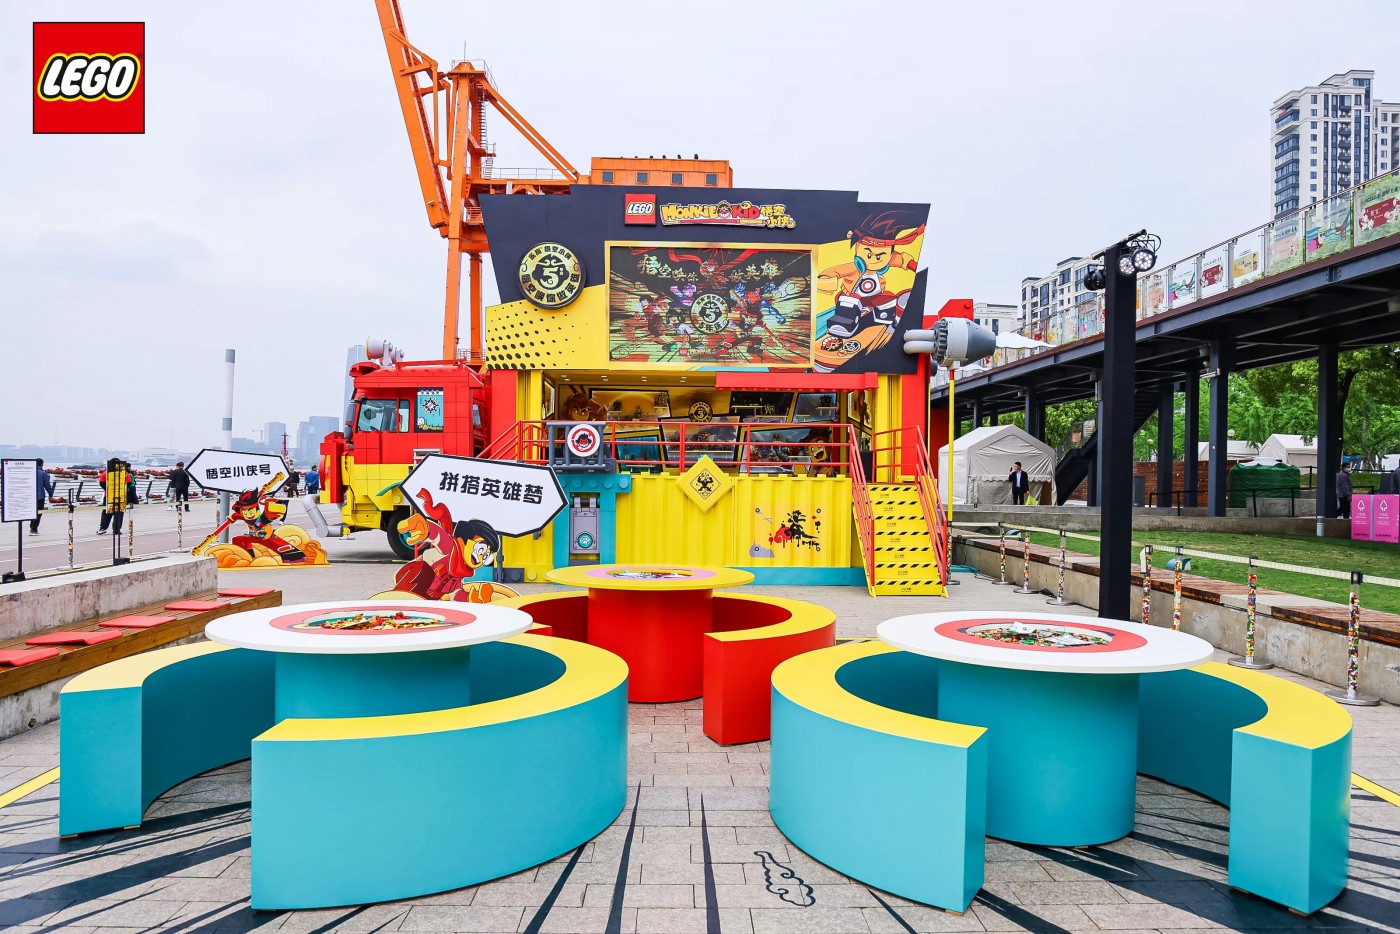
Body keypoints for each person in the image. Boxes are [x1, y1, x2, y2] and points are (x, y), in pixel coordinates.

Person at [29, 459, 54, 535]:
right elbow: (47, 485)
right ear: (42, 464)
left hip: (30, 496)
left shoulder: (30, 472)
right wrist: (51, 495)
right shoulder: (43, 473)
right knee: (39, 513)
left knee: (33, 512)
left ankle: (32, 527)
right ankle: (34, 529)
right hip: (40, 497)